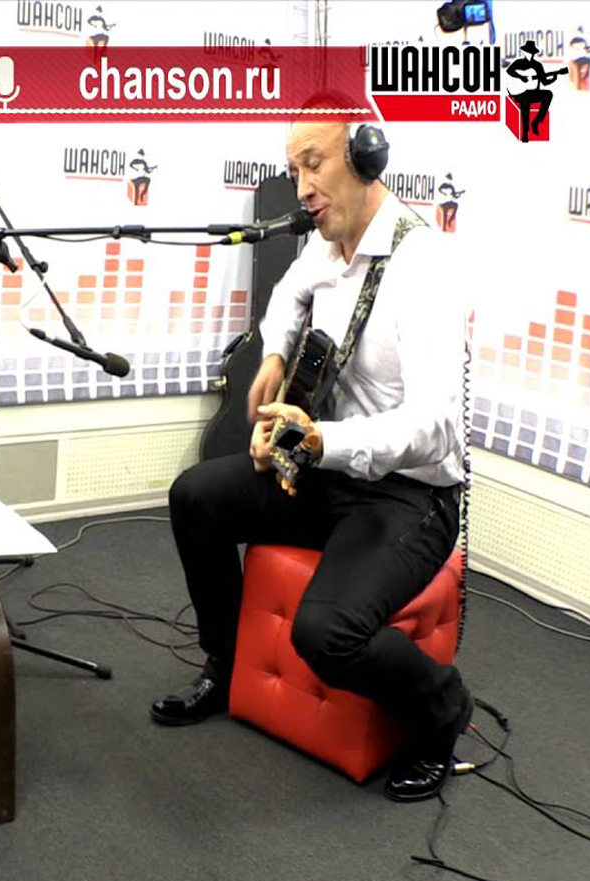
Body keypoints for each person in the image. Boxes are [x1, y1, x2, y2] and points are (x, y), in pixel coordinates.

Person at [152, 117, 472, 803]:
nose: (301, 187)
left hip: (409, 497)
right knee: (195, 497)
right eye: (293, 169)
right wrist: (275, 353)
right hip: (330, 469)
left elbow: (436, 428)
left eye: (314, 163)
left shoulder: (425, 267)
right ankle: (225, 663)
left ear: (365, 159)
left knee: (326, 634)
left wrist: (322, 442)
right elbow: (287, 295)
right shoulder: (326, 247)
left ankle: (444, 706)